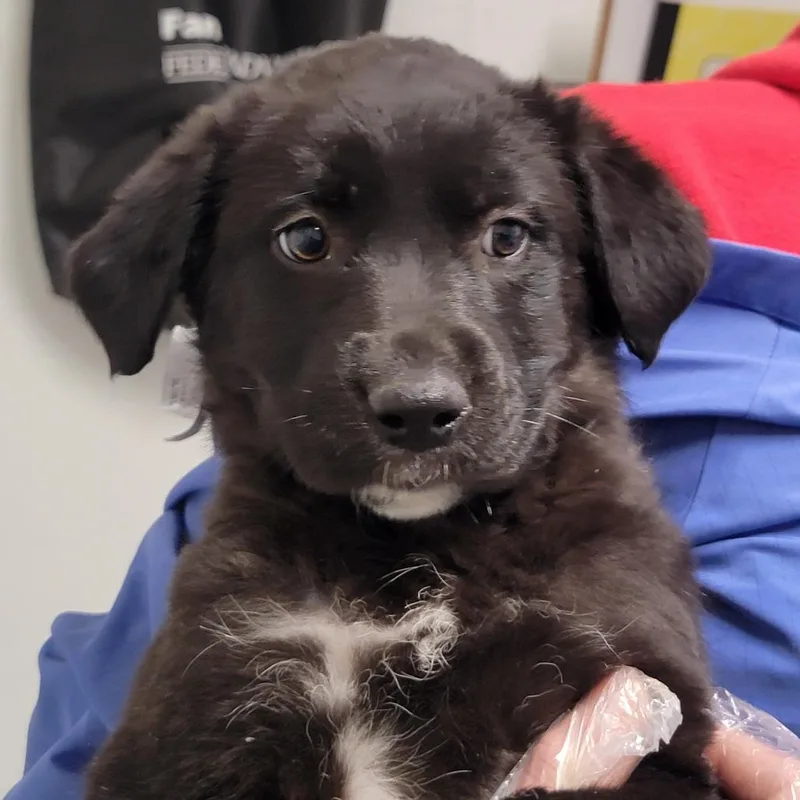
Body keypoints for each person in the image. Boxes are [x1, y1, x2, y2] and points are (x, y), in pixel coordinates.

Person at [8, 26, 800, 800]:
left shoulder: (602, 571)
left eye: (506, 237)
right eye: (307, 239)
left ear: (589, 270)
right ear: (194, 278)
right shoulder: (240, 578)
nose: (420, 386)